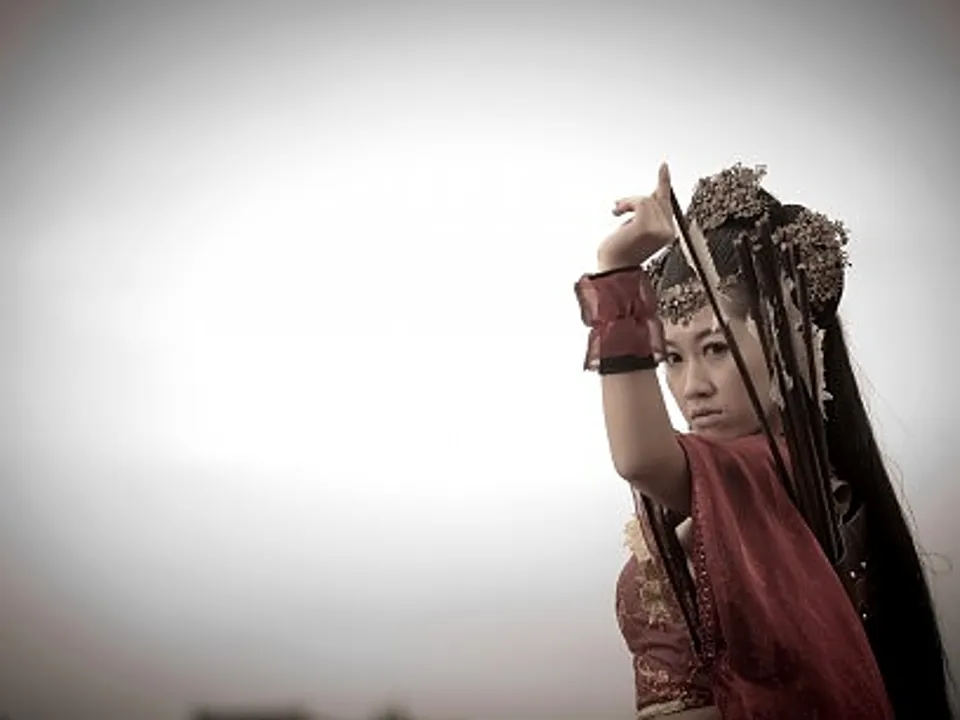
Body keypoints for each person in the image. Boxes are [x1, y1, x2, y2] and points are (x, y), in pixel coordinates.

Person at [574, 163, 955, 719]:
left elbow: (639, 458)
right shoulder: (803, 487)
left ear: (789, 346)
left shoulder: (766, 475)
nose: (692, 387)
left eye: (716, 349)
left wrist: (616, 270)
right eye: (672, 358)